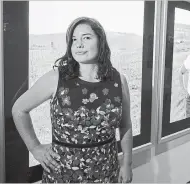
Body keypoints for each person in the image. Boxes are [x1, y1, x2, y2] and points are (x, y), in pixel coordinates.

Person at [11, 17, 133, 183]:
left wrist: (127, 163)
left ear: (101, 41)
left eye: (86, 37)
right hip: (63, 175)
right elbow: (19, 109)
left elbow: (125, 125)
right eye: (74, 39)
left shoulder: (119, 80)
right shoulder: (56, 79)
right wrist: (35, 148)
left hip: (107, 173)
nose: (79, 44)